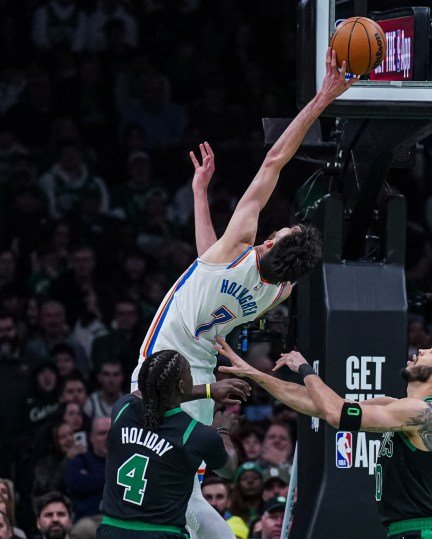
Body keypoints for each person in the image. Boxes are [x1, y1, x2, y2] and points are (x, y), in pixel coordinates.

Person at [127, 49, 355, 539]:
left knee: (158, 486)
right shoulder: (276, 294)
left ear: (270, 241)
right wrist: (199, 195)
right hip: (202, 377)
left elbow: (276, 159)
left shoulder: (240, 246)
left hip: (161, 361)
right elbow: (205, 260)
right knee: (184, 488)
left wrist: (323, 97)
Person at [217, 338, 432, 539]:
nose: (424, 349)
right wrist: (252, 373)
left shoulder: (426, 413)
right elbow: (314, 403)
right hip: (403, 531)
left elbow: (335, 414)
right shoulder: (399, 408)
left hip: (421, 532)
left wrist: (305, 369)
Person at [96, 349, 242, 539]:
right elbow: (228, 470)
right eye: (190, 374)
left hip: (111, 530)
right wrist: (223, 432)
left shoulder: (122, 409)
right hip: (161, 533)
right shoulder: (195, 433)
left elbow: (144, 393)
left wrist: (207, 390)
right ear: (182, 385)